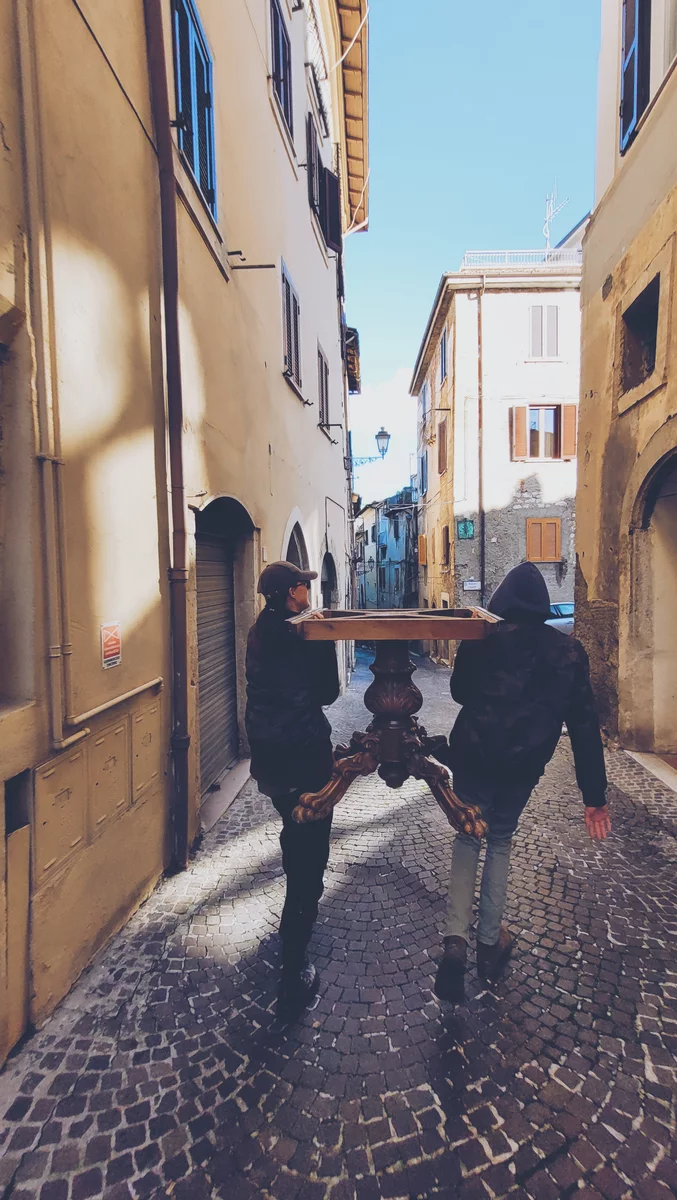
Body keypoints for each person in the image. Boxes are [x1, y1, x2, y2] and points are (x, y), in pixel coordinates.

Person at [434, 561, 611, 1004]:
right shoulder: (569, 653)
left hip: (474, 757)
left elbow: (458, 693)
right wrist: (595, 798)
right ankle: (489, 940)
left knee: (467, 837)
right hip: (522, 766)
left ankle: (455, 940)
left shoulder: (483, 641)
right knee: (499, 840)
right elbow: (586, 727)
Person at [245, 560, 340, 1021]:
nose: (309, 592)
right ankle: (293, 969)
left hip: (272, 763)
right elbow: (328, 693)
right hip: (304, 760)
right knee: (309, 864)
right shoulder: (300, 637)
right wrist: (322, 639)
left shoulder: (260, 631)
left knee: (293, 834)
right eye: (304, 586)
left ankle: (294, 932)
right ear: (290, 594)